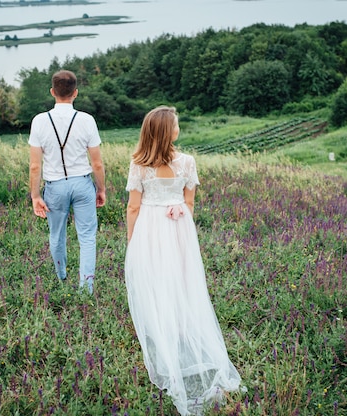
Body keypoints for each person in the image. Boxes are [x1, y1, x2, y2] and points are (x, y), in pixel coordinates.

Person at [124, 106, 241, 415]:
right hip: (178, 229)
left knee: (157, 282)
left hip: (150, 229)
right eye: (175, 125)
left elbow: (133, 207)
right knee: (183, 281)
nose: (178, 128)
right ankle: (181, 335)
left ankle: (167, 339)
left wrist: (132, 241)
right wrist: (179, 212)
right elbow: (189, 203)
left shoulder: (139, 165)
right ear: (169, 131)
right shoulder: (187, 162)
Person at [29, 69, 106, 295]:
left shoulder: (40, 121)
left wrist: (35, 195)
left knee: (56, 235)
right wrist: (100, 189)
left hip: (54, 185)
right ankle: (86, 289)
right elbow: (97, 163)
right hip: (83, 184)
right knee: (87, 237)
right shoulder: (86, 120)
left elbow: (35, 165)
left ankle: (62, 277)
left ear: (52, 92)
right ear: (76, 93)